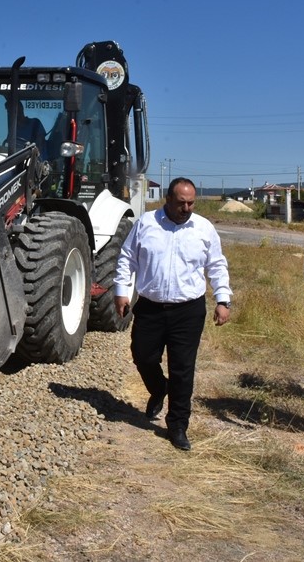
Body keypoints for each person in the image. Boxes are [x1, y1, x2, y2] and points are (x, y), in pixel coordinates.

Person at [113, 177, 233, 451]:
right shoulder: (146, 223)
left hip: (188, 311)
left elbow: (216, 265)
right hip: (150, 306)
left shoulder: (203, 228)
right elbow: (127, 257)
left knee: (182, 369)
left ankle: (177, 425)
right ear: (168, 200)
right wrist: (121, 290)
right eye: (181, 203)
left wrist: (223, 300)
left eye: (191, 203)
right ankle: (158, 389)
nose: (187, 208)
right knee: (143, 356)